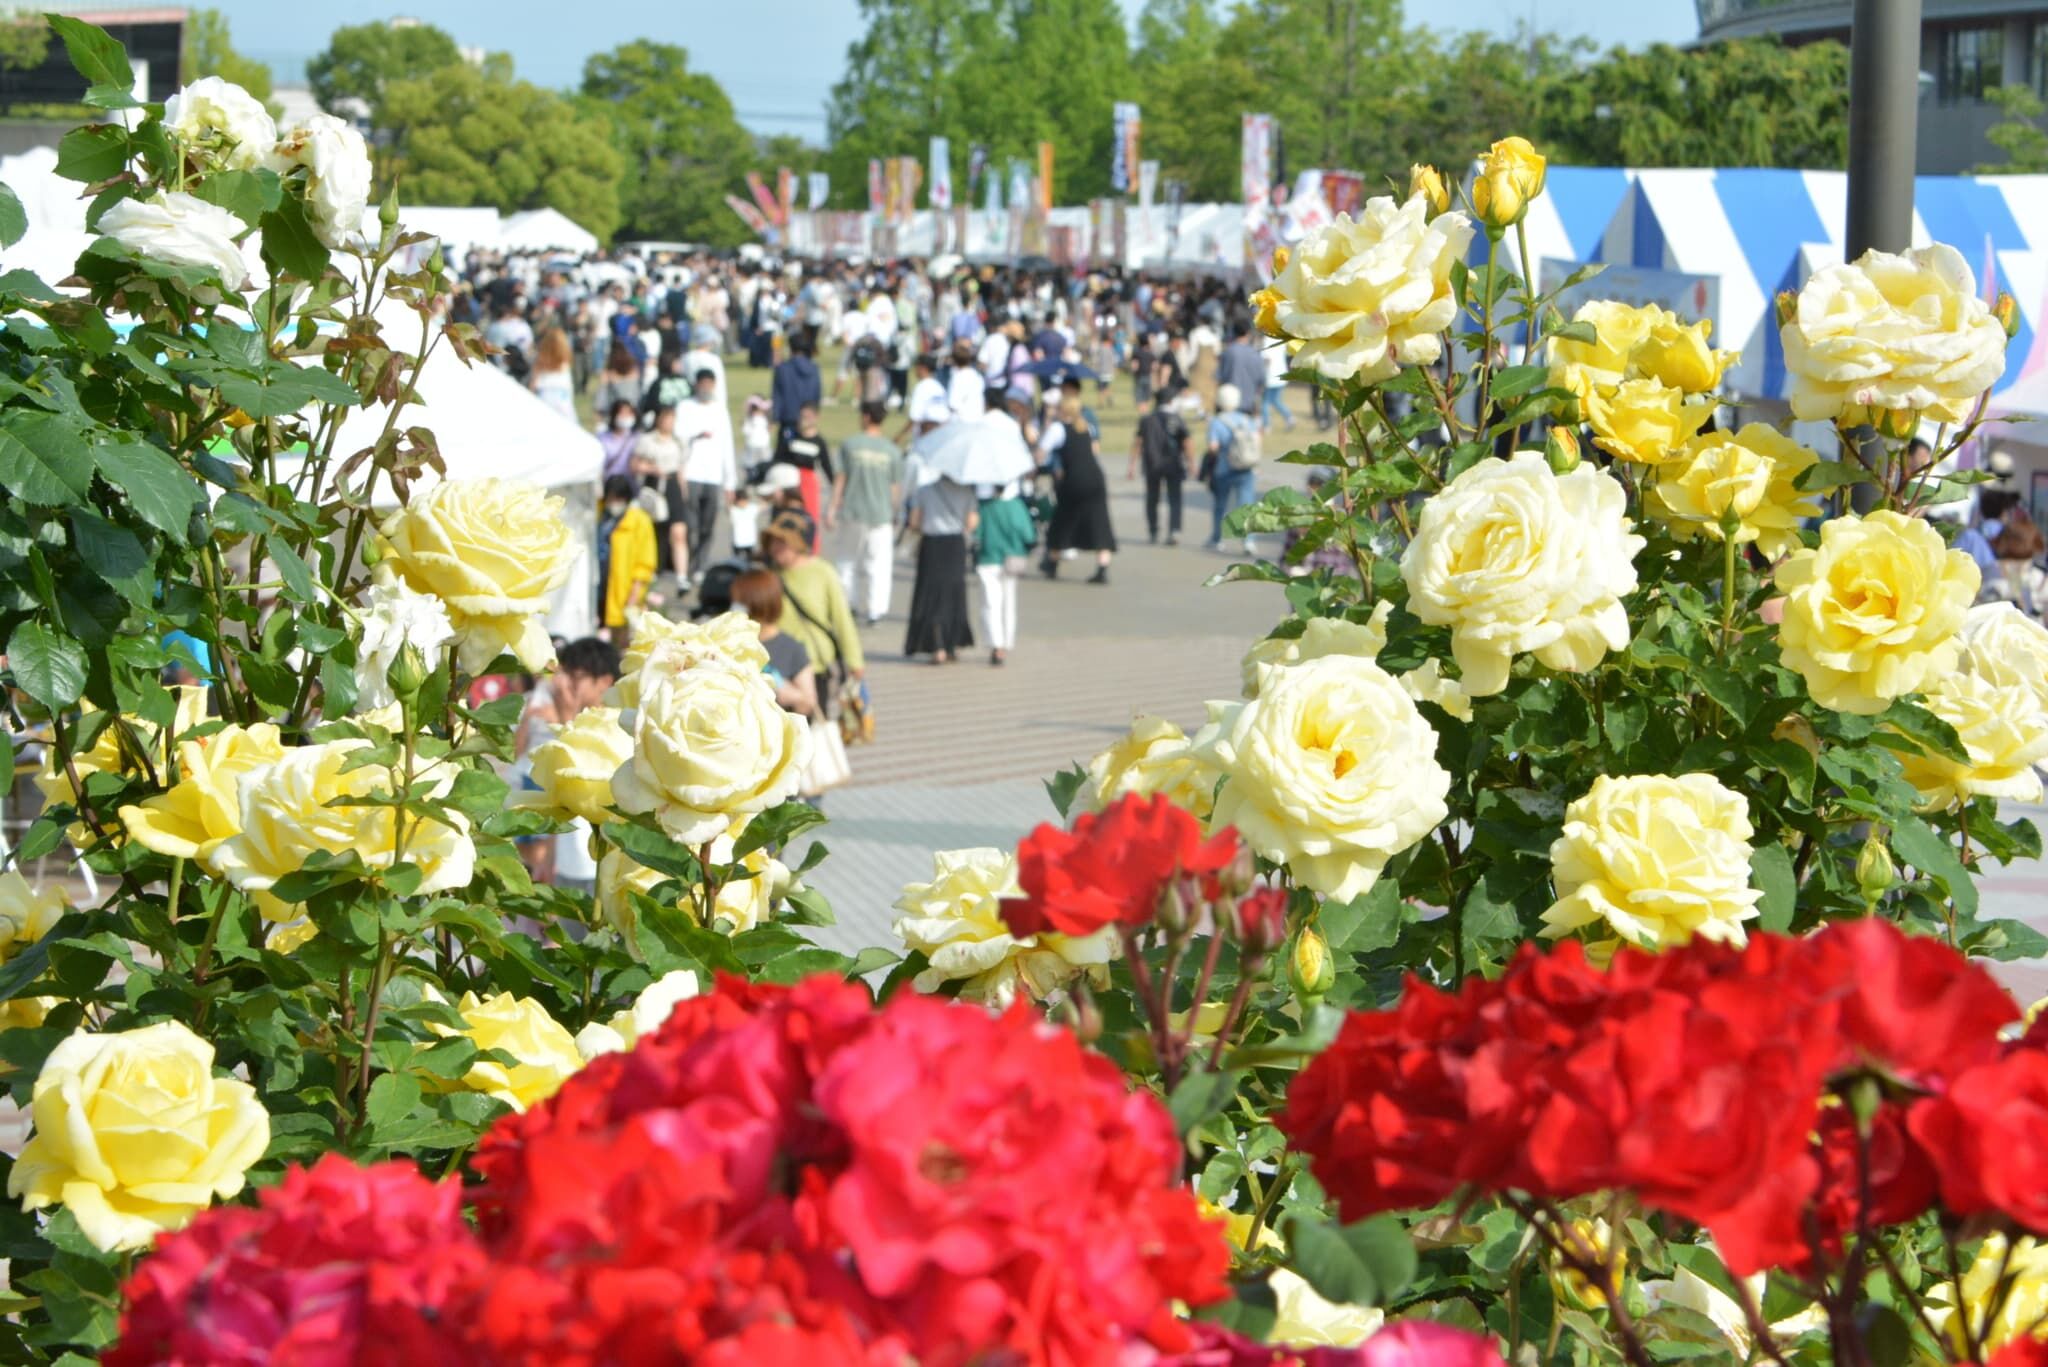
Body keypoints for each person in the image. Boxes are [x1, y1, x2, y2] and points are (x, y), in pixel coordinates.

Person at [518, 637, 620, 892]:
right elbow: (563, 798)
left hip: (600, 868)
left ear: (605, 682)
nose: (566, 685)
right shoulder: (574, 720)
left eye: (576, 676)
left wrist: (566, 716)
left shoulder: (617, 727)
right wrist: (549, 860)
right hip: (567, 865)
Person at [760, 508, 864, 717]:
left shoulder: (823, 572)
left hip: (815, 665)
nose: (776, 548)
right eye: (773, 541)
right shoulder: (769, 576)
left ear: (799, 543)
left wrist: (855, 661)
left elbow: (841, 618)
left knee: (812, 731)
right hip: (777, 668)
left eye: (783, 541)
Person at [829, 400, 904, 626]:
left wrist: (832, 507)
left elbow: (840, 479)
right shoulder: (892, 450)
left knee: (847, 561)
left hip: (853, 511)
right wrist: (895, 512)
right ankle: (876, 609)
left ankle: (847, 604)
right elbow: (895, 487)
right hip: (880, 514)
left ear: (866, 417)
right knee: (878, 564)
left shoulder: (851, 445)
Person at [1040, 384, 1116, 583]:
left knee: (1062, 520)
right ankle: (1102, 567)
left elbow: (1041, 452)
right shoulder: (1086, 427)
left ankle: (1052, 561)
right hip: (1095, 477)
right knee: (1100, 521)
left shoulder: (1058, 428)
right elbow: (1093, 451)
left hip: (1073, 478)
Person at [904, 473, 977, 663]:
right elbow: (972, 523)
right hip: (955, 545)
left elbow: (914, 521)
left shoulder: (925, 490)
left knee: (931, 595)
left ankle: (937, 646)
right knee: (954, 595)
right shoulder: (967, 491)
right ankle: (952, 643)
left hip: (932, 545)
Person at [674, 368, 739, 582]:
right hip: (691, 472)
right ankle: (688, 562)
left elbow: (727, 445)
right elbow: (678, 438)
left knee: (708, 524)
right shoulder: (685, 407)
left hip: (714, 475)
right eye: (703, 383)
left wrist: (730, 482)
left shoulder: (720, 410)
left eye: (710, 384)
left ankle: (701, 565)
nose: (706, 388)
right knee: (690, 523)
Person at [730, 568, 820, 719]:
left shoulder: (792, 648)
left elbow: (808, 703)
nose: (734, 606)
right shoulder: (731, 642)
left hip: (776, 736)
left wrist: (790, 693)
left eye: (739, 601)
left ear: (756, 602)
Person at [975, 479, 1033, 666]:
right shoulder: (1017, 506)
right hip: (1012, 560)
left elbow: (976, 534)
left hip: (989, 559)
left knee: (990, 603)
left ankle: (995, 644)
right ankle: (1006, 642)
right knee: (1009, 603)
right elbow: (1029, 535)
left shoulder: (985, 507)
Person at [631, 405, 690, 581]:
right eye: (666, 418)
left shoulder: (679, 441)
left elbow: (680, 469)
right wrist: (650, 469)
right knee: (655, 530)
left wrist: (683, 491)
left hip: (672, 485)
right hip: (654, 484)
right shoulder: (647, 441)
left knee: (679, 531)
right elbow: (634, 465)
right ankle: (653, 568)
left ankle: (682, 575)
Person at [597, 474, 657, 646]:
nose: (613, 502)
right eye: (610, 498)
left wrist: (635, 592)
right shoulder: (600, 513)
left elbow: (645, 561)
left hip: (624, 587)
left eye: (618, 498)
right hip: (601, 581)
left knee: (623, 633)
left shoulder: (640, 521)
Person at [1131, 385, 1192, 545]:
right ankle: (1174, 531)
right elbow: (1187, 442)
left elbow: (1138, 443)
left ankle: (1153, 530)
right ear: (1172, 400)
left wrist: (1131, 466)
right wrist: (1192, 464)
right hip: (1173, 464)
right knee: (1175, 498)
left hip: (1152, 463)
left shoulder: (1146, 419)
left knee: (1152, 499)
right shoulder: (1177, 419)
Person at [1205, 383, 1261, 552]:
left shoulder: (1217, 421)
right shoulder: (1247, 419)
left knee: (1221, 504)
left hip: (1224, 467)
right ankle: (1248, 541)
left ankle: (1217, 538)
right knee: (1246, 505)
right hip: (1247, 467)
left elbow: (1213, 447)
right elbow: (1257, 440)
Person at [772, 402, 836, 537]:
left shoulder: (819, 442)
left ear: (816, 418)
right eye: (802, 416)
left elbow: (827, 468)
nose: (804, 420)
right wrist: (776, 486)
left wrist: (837, 493)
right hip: (789, 481)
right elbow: (778, 461)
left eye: (808, 417)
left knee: (808, 519)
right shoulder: (790, 437)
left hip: (808, 484)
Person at [770, 332, 821, 439]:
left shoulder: (783, 369)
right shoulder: (814, 368)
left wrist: (774, 418)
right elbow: (817, 393)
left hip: (788, 419)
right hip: (808, 418)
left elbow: (778, 396)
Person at [1215, 316, 1266, 417]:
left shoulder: (1228, 352)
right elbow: (1261, 381)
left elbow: (1220, 378)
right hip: (1249, 405)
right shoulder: (1256, 354)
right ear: (1248, 332)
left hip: (1229, 405)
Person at [528, 328, 576, 421]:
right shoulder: (565, 362)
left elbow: (533, 383)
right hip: (563, 397)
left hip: (544, 395)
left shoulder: (539, 361)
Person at [598, 398, 641, 480]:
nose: (625, 417)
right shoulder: (602, 438)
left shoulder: (637, 437)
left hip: (631, 485)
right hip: (610, 482)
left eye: (629, 413)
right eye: (622, 413)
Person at [1262, 337, 1297, 432]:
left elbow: (1266, 358)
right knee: (1275, 400)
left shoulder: (1267, 340)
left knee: (1265, 402)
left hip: (1271, 375)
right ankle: (1289, 417)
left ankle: (1266, 425)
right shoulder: (1280, 339)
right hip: (1281, 373)